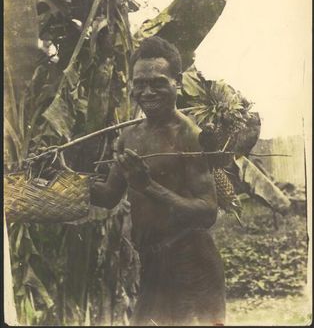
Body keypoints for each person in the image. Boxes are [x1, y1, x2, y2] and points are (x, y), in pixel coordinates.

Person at [90, 36, 225, 326]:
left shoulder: (189, 135)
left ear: (177, 81)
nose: (147, 92)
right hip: (151, 262)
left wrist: (148, 187)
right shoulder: (129, 137)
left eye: (158, 82)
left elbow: (208, 212)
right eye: (139, 84)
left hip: (192, 262)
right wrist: (63, 178)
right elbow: (109, 195)